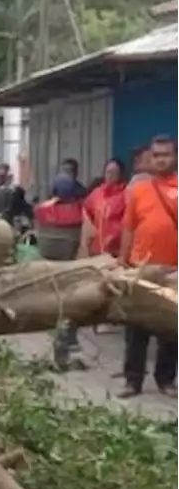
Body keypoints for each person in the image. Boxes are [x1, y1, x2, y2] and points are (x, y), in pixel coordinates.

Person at [119, 136, 179, 397]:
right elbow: (128, 227)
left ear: (175, 157)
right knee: (136, 329)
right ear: (150, 159)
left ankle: (165, 380)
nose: (161, 159)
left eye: (165, 154)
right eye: (156, 155)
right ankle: (133, 382)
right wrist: (123, 261)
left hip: (173, 270)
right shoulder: (138, 190)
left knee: (170, 329)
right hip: (140, 268)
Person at [35, 175, 88, 367]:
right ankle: (66, 344)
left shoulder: (42, 210)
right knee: (69, 309)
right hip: (70, 268)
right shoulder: (79, 213)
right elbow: (87, 237)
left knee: (58, 308)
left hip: (48, 267)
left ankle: (62, 346)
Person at [80, 158, 128, 259]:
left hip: (116, 251)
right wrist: (88, 227)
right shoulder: (97, 193)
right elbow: (85, 209)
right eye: (108, 172)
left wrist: (115, 235)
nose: (110, 175)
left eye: (114, 172)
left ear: (120, 174)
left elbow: (129, 222)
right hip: (96, 250)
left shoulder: (125, 195)